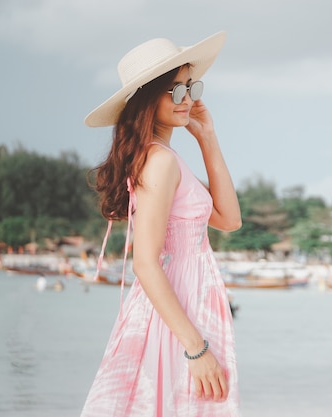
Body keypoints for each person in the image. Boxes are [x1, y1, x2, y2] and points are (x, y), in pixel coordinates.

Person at [80, 31, 242, 417]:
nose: (188, 99)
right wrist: (195, 347)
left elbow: (229, 219)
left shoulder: (164, 159)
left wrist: (208, 138)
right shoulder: (161, 161)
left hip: (184, 305)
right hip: (178, 313)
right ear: (148, 98)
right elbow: (145, 262)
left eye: (190, 87)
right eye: (175, 90)